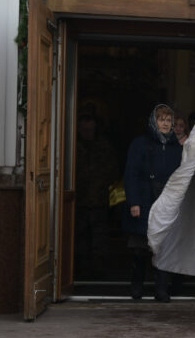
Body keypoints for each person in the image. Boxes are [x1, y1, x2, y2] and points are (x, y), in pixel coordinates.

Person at [123, 103, 183, 301]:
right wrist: (134, 202)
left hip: (167, 201)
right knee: (141, 247)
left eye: (168, 121)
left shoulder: (176, 147)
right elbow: (131, 174)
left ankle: (161, 289)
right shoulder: (140, 144)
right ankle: (137, 285)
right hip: (144, 197)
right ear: (153, 122)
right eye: (161, 120)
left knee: (164, 246)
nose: (165, 124)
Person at [74, 110, 119, 279]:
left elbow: (114, 170)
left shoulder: (104, 146)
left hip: (99, 201)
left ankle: (99, 273)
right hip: (78, 200)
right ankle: (81, 271)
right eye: (84, 130)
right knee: (80, 239)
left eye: (90, 130)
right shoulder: (72, 145)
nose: (87, 133)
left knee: (100, 239)